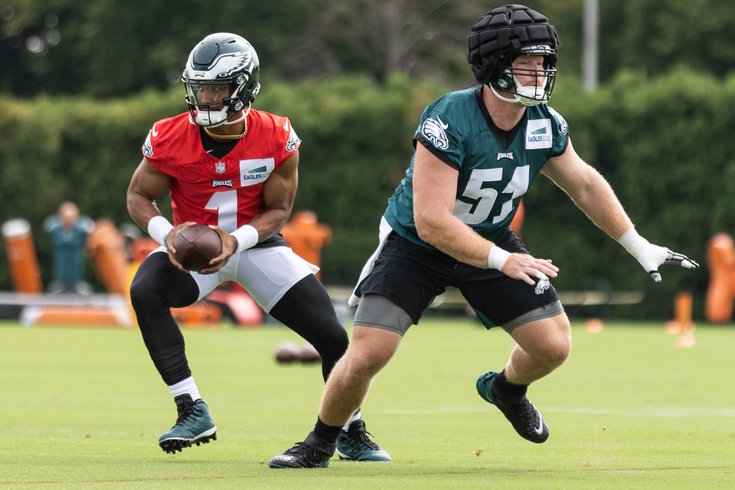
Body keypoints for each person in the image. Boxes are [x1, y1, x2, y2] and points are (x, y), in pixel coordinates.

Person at [269, 4, 699, 468]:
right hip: (416, 245)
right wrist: (502, 260)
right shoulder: (450, 118)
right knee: (370, 352)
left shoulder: (545, 123)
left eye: (544, 63)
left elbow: (585, 184)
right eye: (528, 63)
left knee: (553, 346)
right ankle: (320, 441)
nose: (541, 73)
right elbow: (432, 220)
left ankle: (506, 389)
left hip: (490, 237)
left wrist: (638, 244)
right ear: (495, 65)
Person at [126, 32, 390, 461]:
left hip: (257, 245)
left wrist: (237, 239)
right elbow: (138, 196)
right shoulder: (169, 135)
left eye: (217, 88)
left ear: (244, 87)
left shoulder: (276, 135)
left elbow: (280, 208)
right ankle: (190, 407)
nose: (206, 98)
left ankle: (350, 430)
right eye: (200, 88)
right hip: (192, 247)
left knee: (332, 338)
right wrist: (167, 234)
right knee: (144, 290)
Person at [43, 201, 94, 295]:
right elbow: (49, 224)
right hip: (60, 279)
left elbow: (90, 225)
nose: (69, 221)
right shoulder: (56, 229)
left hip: (77, 279)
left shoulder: (80, 230)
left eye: (71, 217)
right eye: (66, 217)